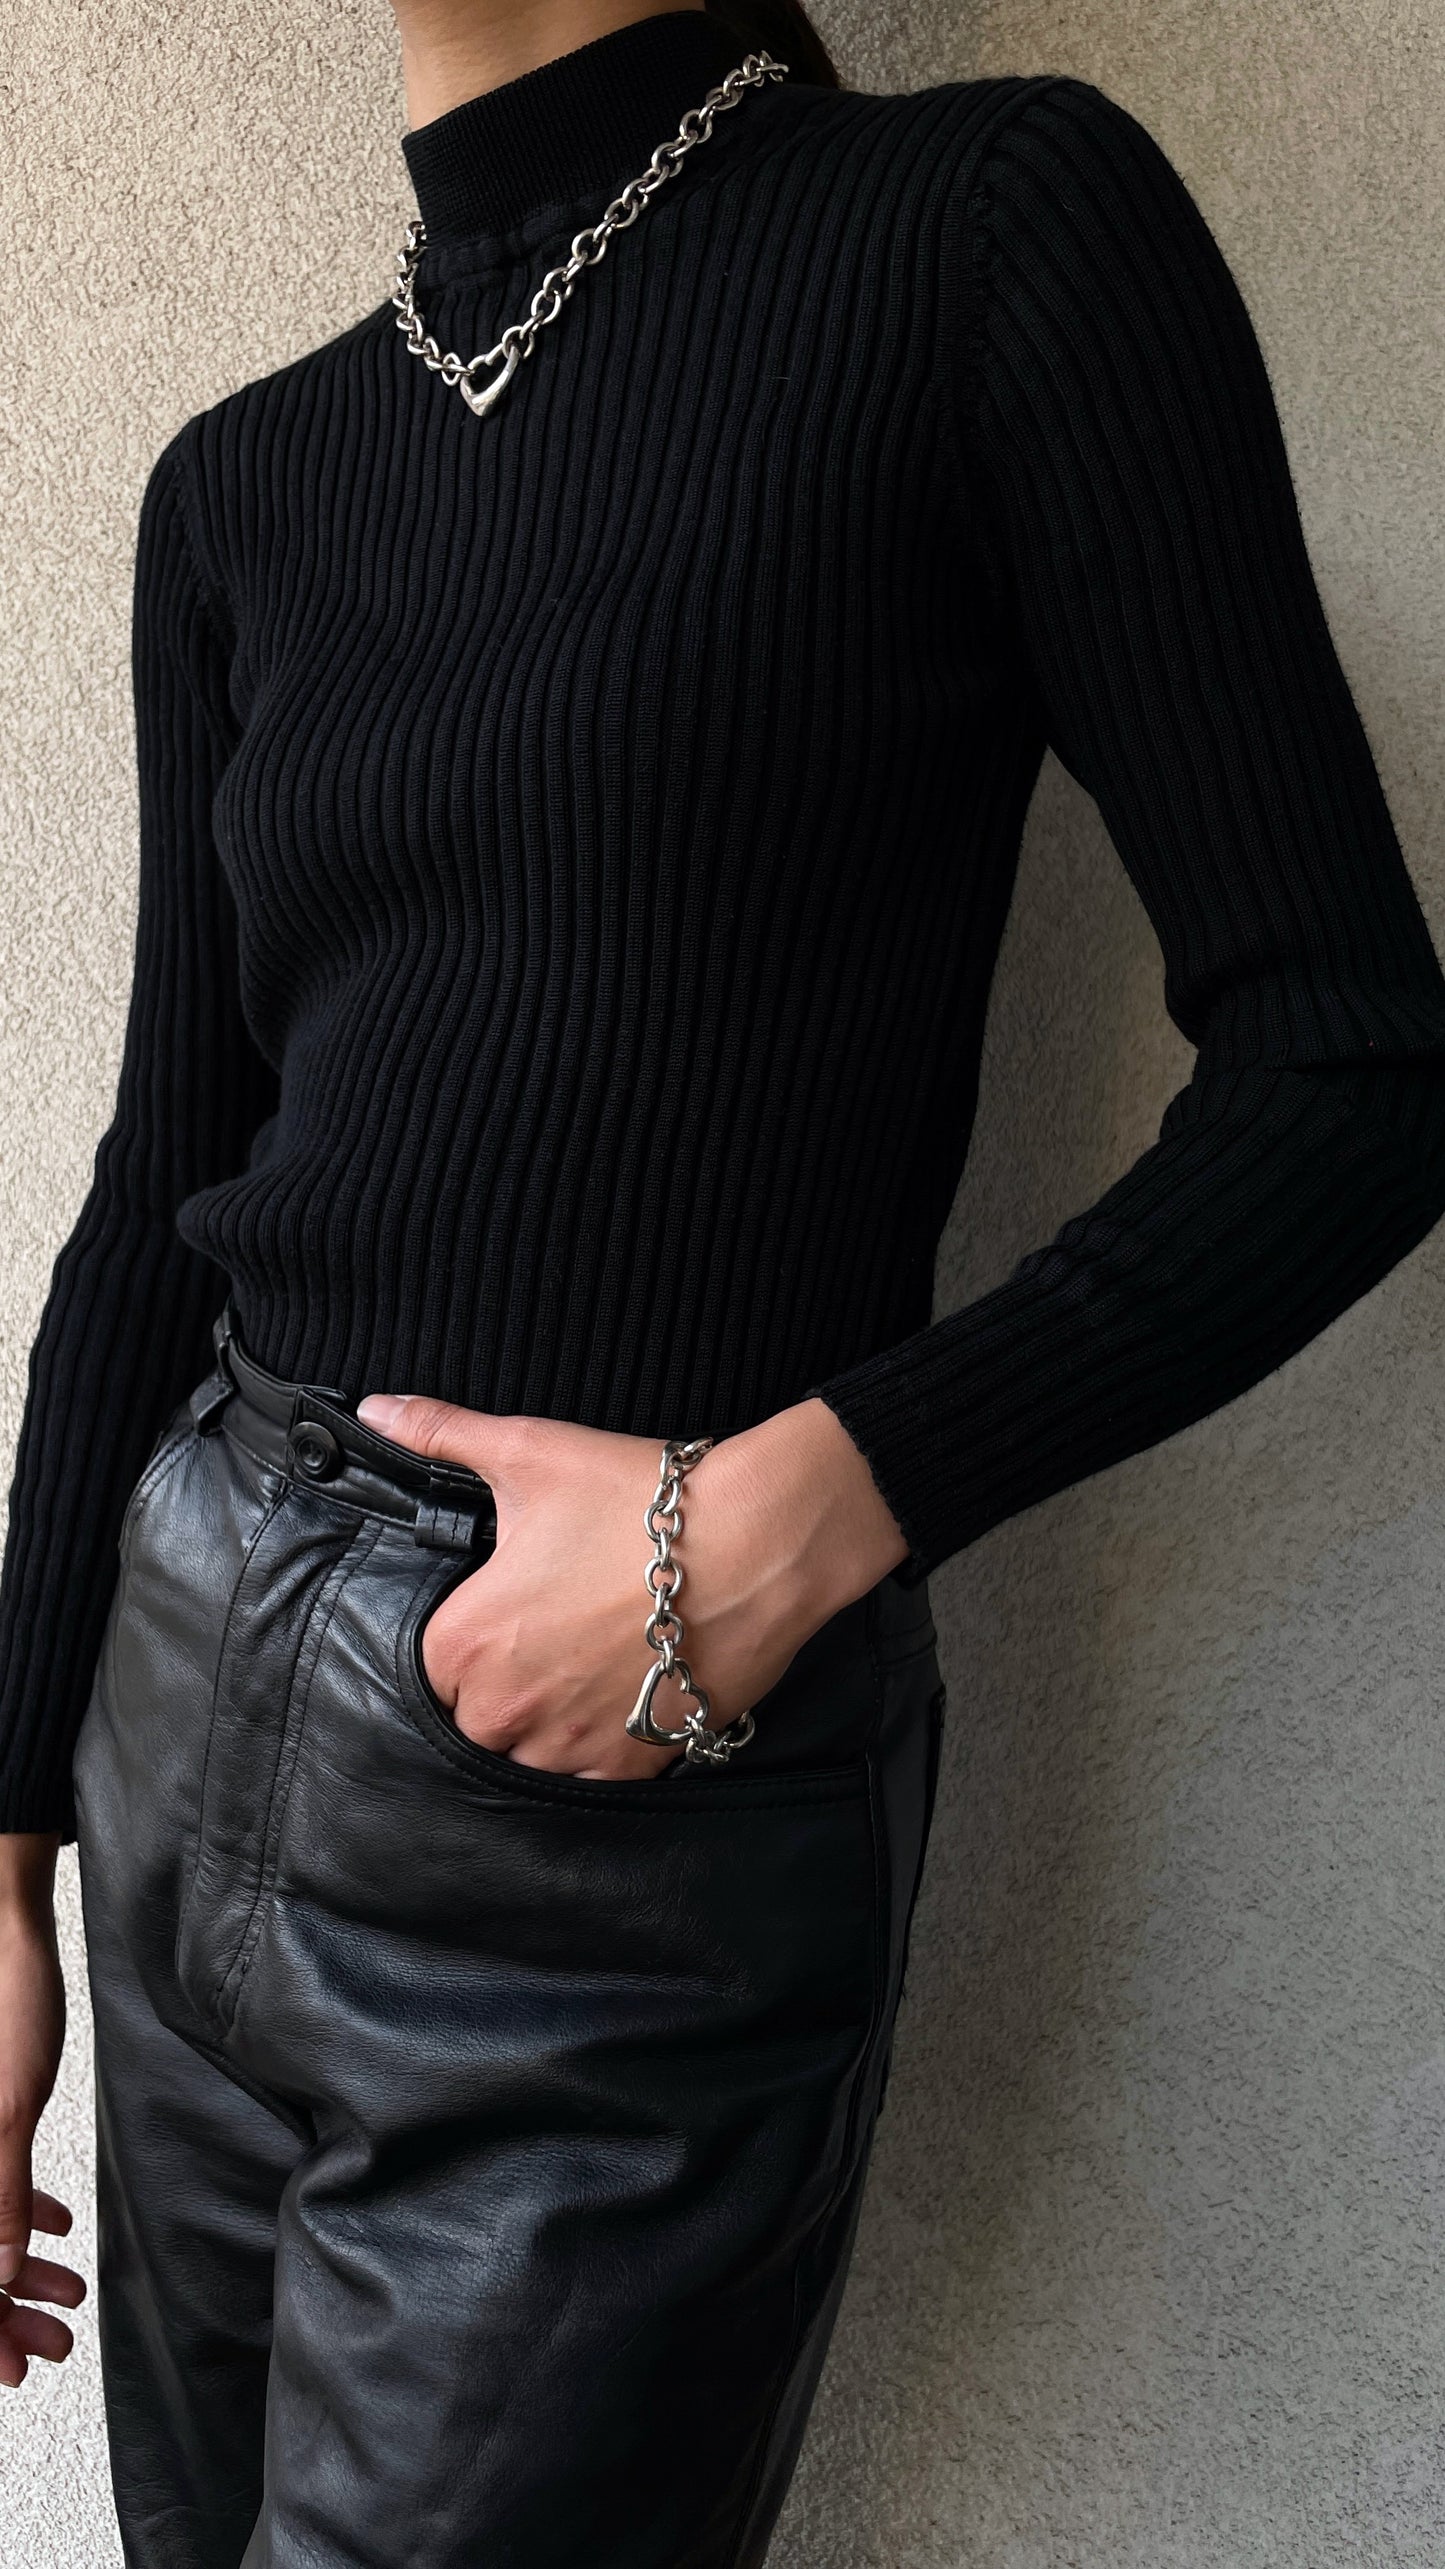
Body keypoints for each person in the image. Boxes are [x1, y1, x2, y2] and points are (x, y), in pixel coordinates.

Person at [2, 0, 1444, 2558]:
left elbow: (1354, 1064)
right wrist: (1, 1839)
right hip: (180, 1705)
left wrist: (791, 1522)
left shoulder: (985, 236)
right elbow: (158, 1190)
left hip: (602, 1822)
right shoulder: (241, 482)